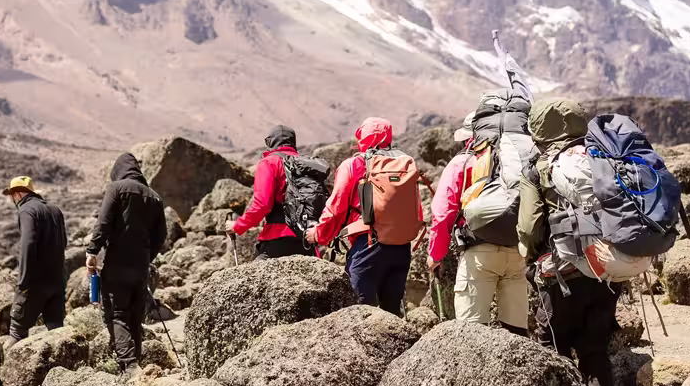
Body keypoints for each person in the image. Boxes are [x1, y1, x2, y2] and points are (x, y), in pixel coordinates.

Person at [519, 99, 618, 386]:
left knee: (552, 345)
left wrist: (531, 257)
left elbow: (530, 226)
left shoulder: (540, 167)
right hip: (605, 268)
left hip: (560, 273)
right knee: (594, 348)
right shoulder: (602, 156)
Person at [429, 104, 531, 337]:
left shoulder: (463, 162)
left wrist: (435, 255)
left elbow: (443, 213)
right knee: (516, 332)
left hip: (479, 252)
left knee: (470, 334)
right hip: (517, 251)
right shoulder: (515, 161)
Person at [306, 117, 423, 316]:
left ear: (363, 137)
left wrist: (318, 234)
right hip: (402, 246)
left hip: (368, 244)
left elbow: (336, 206)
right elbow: (417, 210)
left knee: (360, 314)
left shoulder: (354, 164)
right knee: (393, 314)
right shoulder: (404, 165)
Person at [86, 153, 167, 376]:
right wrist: (146, 256)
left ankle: (130, 366)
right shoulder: (155, 197)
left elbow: (103, 222)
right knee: (134, 315)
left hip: (117, 262)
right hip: (141, 266)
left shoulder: (117, 189)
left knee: (119, 315)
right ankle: (137, 367)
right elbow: (162, 235)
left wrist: (92, 250)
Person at [226, 124, 315, 260]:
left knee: (255, 279)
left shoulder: (269, 163)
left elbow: (262, 204)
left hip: (277, 238)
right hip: (307, 239)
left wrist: (238, 225)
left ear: (271, 142)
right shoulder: (308, 165)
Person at [2, 176, 68, 348]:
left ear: (16, 194)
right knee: (56, 332)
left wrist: (23, 282)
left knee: (17, 332)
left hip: (34, 283)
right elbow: (64, 243)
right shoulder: (55, 210)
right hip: (57, 281)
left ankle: (4, 372)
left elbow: (28, 245)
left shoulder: (26, 210)